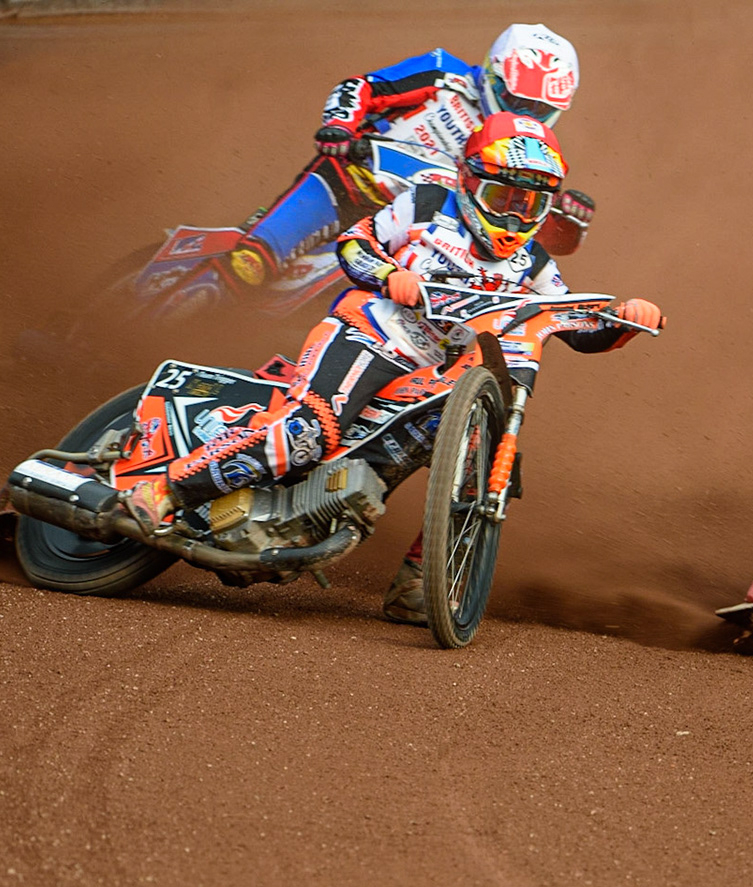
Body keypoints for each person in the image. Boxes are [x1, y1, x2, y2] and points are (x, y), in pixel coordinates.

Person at [115, 114, 664, 620]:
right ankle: (165, 490)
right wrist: (386, 275)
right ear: (469, 182)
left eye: (530, 204)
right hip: (373, 334)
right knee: (308, 431)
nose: (516, 214)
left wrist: (622, 319)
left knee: (475, 450)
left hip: (435, 370)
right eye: (504, 196)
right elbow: (354, 245)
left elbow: (570, 322)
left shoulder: (532, 264)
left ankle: (420, 587)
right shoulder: (427, 206)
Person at [227, 23, 595, 290]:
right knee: (250, 263)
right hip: (347, 182)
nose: (526, 115)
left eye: (540, 109)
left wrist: (565, 220)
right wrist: (339, 127)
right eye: (518, 101)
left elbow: (519, 226)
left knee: (388, 304)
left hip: (415, 227)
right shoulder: (444, 73)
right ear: (493, 74)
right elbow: (362, 87)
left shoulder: (533, 146)